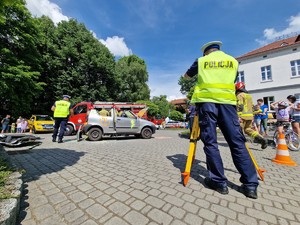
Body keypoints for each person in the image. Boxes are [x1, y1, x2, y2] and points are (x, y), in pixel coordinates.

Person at [183, 41, 258, 199]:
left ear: (206, 53)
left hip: (207, 104)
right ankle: (250, 185)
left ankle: (219, 182)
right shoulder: (233, 62)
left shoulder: (201, 61)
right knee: (237, 142)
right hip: (228, 105)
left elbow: (187, 76)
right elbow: (232, 81)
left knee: (211, 142)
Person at [235, 82, 268, 149]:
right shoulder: (249, 96)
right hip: (250, 116)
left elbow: (240, 106)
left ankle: (240, 144)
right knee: (248, 129)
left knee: (239, 130)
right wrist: (258, 111)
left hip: (242, 117)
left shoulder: (240, 95)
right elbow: (252, 107)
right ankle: (261, 139)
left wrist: (238, 116)